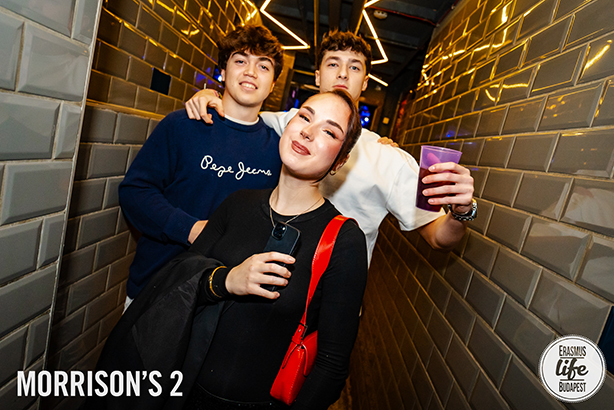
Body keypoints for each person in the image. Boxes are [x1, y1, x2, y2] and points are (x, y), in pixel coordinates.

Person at [89, 90, 367, 410]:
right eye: (305, 116)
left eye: (329, 132)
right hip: (181, 394)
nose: (308, 131)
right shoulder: (238, 204)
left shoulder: (343, 240)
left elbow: (332, 365)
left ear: (339, 161)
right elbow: (177, 283)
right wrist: (227, 280)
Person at [185, 30, 476, 264]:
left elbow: (439, 238)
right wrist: (211, 97)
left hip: (330, 299)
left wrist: (461, 210)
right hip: (257, 283)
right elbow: (241, 115)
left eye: (354, 67)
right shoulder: (290, 124)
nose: (343, 74)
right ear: (317, 76)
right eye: (333, 64)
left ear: (365, 82)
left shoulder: (387, 158)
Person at [118, 25, 285, 302]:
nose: (251, 72)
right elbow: (134, 192)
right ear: (223, 72)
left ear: (273, 84)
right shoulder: (182, 125)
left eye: (263, 66)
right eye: (240, 61)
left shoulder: (278, 151)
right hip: (156, 289)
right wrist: (190, 229)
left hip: (225, 302)